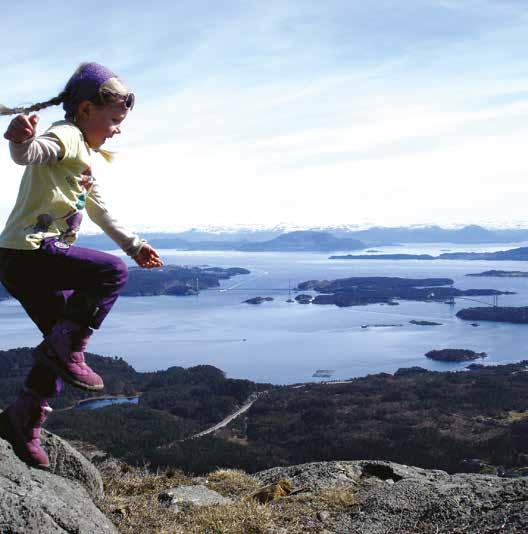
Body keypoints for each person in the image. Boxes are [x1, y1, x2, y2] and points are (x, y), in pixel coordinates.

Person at [0, 62, 163, 468]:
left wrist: (134, 244)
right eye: (114, 119)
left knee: (60, 343)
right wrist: (20, 141)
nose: (117, 129)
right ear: (87, 110)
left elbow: (99, 208)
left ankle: (24, 419)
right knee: (110, 273)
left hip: (20, 259)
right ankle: (65, 357)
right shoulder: (69, 135)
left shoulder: (83, 155)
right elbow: (34, 153)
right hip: (31, 251)